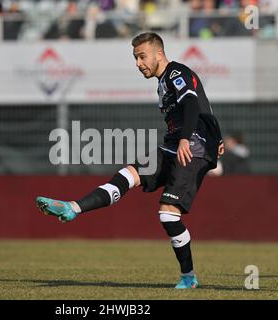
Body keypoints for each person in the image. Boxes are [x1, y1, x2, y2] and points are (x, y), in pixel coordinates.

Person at [36, 32, 224, 289]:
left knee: (168, 216)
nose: (138, 63)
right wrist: (217, 136)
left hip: (192, 148)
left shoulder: (175, 73)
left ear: (159, 53)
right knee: (128, 175)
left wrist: (188, 138)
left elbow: (191, 103)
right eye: (135, 58)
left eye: (142, 56)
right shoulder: (163, 82)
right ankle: (73, 208)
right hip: (174, 145)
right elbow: (204, 105)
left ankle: (188, 277)